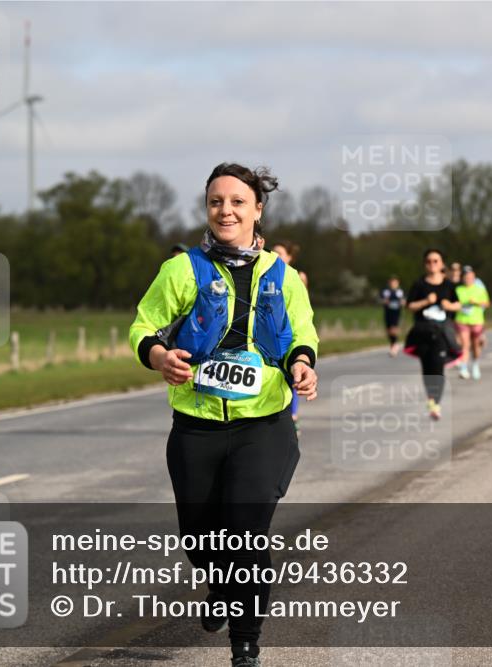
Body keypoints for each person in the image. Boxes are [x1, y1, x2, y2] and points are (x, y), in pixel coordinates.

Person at [129, 163, 318, 667]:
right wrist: (158, 356)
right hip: (196, 427)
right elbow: (144, 325)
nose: (226, 210)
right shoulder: (182, 270)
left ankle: (245, 646)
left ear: (258, 209)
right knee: (199, 536)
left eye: (237, 201)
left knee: (246, 533)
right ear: (206, 208)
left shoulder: (283, 276)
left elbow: (303, 334)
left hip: (265, 426)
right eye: (216, 201)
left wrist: (302, 364)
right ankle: (219, 580)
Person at [405, 249, 462, 420]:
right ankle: (431, 398)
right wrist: (425, 302)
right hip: (423, 330)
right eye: (429, 261)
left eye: (436, 261)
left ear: (441, 263)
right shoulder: (419, 284)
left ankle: (435, 403)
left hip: (442, 331)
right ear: (425, 265)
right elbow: (409, 306)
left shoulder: (449, 285)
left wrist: (449, 306)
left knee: (438, 367)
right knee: (427, 368)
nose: (432, 264)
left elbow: (458, 305)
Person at [269, 241, 309, 429]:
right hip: (273, 329)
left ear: (289, 257)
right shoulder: (266, 273)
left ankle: (292, 415)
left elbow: (300, 306)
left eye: (279, 253)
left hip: (292, 326)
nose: (275, 256)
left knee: (293, 372)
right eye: (273, 252)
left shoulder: (296, 276)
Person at [455, 265, 490, 380]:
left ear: (474, 277)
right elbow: (453, 304)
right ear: (462, 278)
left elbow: (487, 303)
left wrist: (477, 302)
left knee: (475, 345)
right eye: (466, 277)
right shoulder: (458, 289)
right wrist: (458, 306)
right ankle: (464, 368)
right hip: (462, 320)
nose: (468, 279)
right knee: (465, 344)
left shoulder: (479, 289)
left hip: (477, 321)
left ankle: (475, 364)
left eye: (470, 277)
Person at [380, 276, 406, 357]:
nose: (393, 284)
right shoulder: (386, 292)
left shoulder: (400, 292)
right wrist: (384, 301)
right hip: (388, 312)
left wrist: (402, 302)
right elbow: (381, 300)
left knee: (394, 329)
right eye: (392, 283)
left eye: (395, 283)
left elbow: (404, 301)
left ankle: (395, 345)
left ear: (397, 284)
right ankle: (392, 345)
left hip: (396, 312)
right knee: (388, 330)